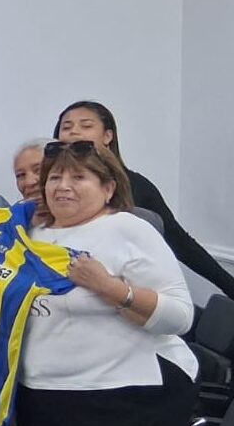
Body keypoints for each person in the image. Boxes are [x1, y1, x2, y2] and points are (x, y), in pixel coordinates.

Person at [18, 141, 198, 426]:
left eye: (78, 176)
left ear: (108, 187)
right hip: (42, 399)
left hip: (120, 399)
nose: (63, 185)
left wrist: (109, 287)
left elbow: (179, 316)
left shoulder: (127, 228)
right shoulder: (32, 233)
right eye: (55, 177)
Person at [54, 100, 234, 298]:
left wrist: (229, 285)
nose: (74, 132)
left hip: (126, 298)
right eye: (66, 127)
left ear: (107, 136)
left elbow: (180, 242)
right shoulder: (50, 187)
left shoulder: (136, 185)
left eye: (86, 126)